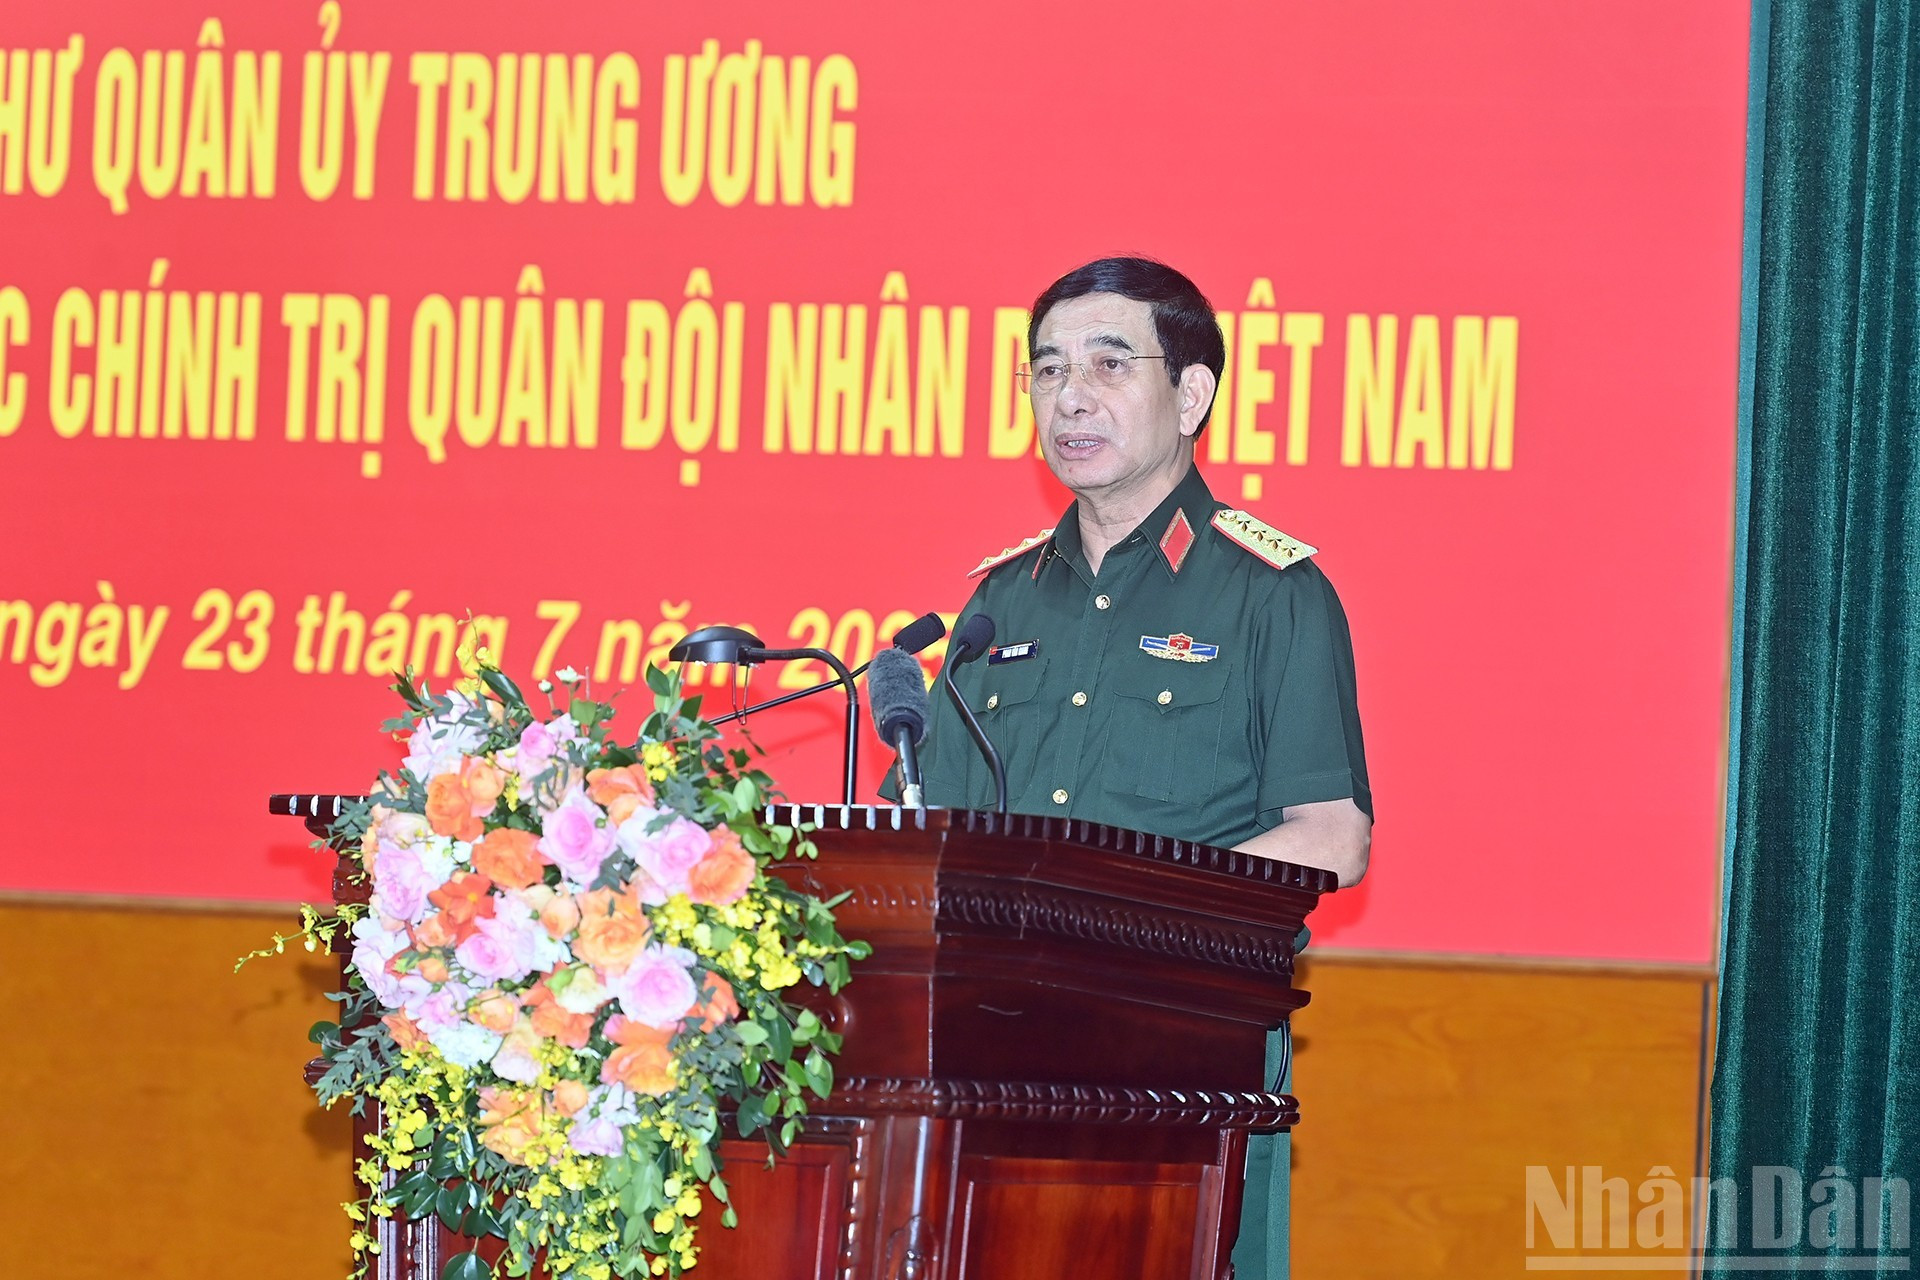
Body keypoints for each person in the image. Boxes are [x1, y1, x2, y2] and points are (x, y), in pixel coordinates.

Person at [909, 256, 1372, 1280]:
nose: (1071, 394)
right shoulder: (998, 603)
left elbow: (1332, 836)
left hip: (1179, 1056)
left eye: (1110, 365)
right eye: (1047, 369)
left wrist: (1127, 925)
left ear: (1192, 393)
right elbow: (933, 829)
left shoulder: (1273, 595)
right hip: (991, 1055)